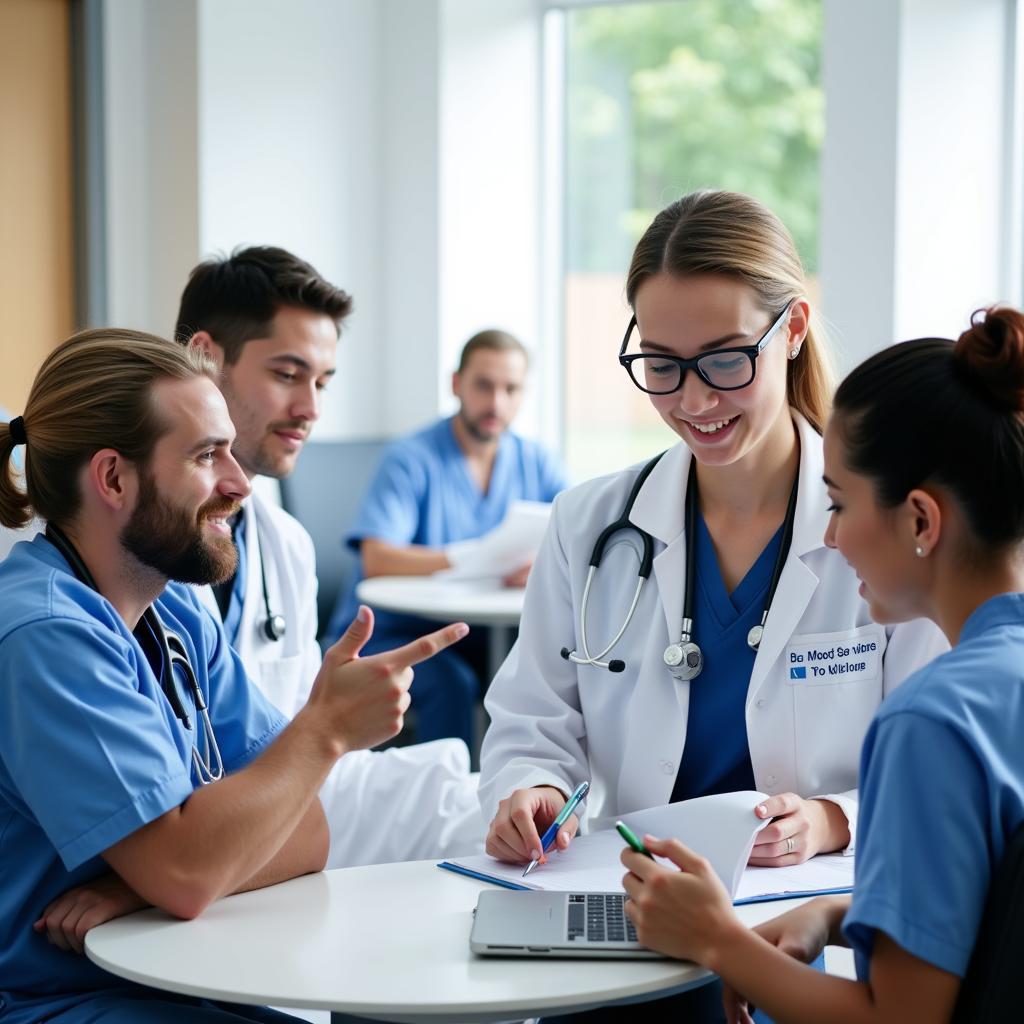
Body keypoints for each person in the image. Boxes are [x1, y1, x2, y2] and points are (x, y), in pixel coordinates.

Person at [478, 190, 945, 1021]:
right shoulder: (590, 525)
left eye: (726, 359)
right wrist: (534, 789)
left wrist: (833, 819)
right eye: (661, 363)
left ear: (793, 329)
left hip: (800, 933)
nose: (693, 400)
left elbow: (936, 772)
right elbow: (533, 719)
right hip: (632, 920)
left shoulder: (880, 531)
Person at [0, 329, 466, 1023]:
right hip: (57, 999)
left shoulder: (176, 606)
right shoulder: (45, 634)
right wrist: (325, 730)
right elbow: (191, 872)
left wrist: (144, 887)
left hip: (170, 970)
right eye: (204, 455)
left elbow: (306, 833)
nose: (240, 482)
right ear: (113, 479)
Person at [620, 305, 1024, 1023]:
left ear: (922, 521)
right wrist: (843, 911)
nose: (830, 537)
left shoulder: (931, 722)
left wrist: (718, 940)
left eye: (838, 504)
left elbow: (898, 1021)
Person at [175, 246, 485, 866]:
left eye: (321, 382)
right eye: (288, 375)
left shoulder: (285, 544)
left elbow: (298, 757)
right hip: (169, 857)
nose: (311, 409)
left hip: (262, 843)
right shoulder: (122, 541)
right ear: (206, 359)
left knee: (481, 810)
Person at [328, 329, 569, 747]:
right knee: (451, 681)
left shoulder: (536, 460)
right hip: (394, 632)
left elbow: (582, 536)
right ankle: (448, 802)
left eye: (510, 388)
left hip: (479, 632)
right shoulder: (411, 458)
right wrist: (472, 557)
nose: (496, 402)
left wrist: (542, 564)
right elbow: (377, 558)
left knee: (544, 673)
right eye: (483, 385)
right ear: (456, 384)